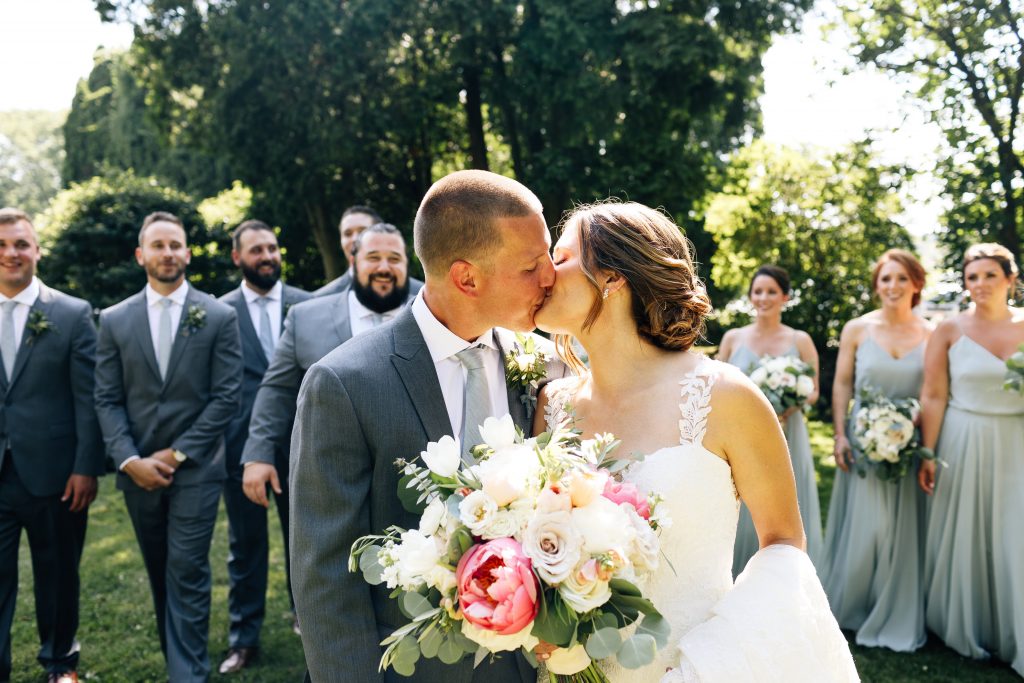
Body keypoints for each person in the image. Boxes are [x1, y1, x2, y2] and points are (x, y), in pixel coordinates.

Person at [534, 201, 857, 682]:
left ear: (612, 277)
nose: (543, 273)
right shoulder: (551, 404)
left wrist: (712, 664)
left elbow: (784, 543)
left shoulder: (725, 396)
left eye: (560, 258)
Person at [289, 170, 567, 682]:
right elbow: (325, 580)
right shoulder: (344, 385)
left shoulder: (550, 370)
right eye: (532, 265)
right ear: (467, 277)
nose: (552, 275)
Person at [94, 211, 242, 683]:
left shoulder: (219, 316)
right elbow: (106, 397)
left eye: (175, 244)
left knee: (187, 568)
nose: (168, 253)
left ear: (188, 253)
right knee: (160, 570)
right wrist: (130, 459)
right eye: (158, 245)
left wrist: (177, 454)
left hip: (196, 469)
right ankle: (178, 655)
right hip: (136, 468)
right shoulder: (114, 320)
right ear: (142, 255)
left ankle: (188, 674)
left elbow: (226, 397)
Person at [240, 223, 417, 599]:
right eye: (373, 257)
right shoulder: (307, 318)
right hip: (333, 471)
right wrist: (257, 452)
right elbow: (276, 388)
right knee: (335, 574)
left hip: (414, 470)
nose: (384, 267)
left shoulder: (432, 303)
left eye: (394, 258)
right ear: (352, 262)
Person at [0, 208, 104, 683]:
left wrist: (86, 466)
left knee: (58, 574)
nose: (10, 254)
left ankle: (60, 663)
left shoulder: (72, 313)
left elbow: (90, 398)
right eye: (1, 246)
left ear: (37, 250)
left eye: (20, 244)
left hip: (56, 474)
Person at [919, 243, 1024, 676]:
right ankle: (966, 623)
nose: (979, 284)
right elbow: (934, 394)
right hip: (961, 437)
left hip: (1015, 439)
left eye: (989, 276)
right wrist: (928, 451)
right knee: (968, 530)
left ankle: (1012, 627)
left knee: (1012, 531)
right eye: (972, 277)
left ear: (1010, 280)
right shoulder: (948, 329)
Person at [818, 249, 931, 651]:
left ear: (917, 283)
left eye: (902, 279)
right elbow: (843, 384)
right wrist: (841, 434)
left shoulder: (931, 333)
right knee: (867, 525)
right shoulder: (857, 329)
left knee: (902, 526)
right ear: (876, 286)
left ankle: (897, 603)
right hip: (864, 439)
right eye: (886, 279)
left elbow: (934, 393)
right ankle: (855, 605)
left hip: (909, 443)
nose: (893, 287)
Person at [216, 220, 311, 673]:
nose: (267, 256)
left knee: (307, 539)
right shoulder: (218, 312)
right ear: (237, 257)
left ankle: (308, 618)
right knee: (245, 544)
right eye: (256, 250)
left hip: (305, 440)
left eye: (272, 247)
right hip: (241, 446)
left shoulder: (309, 305)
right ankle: (243, 637)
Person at [716, 264, 822, 576]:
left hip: (788, 429)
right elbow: (717, 385)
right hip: (740, 433)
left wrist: (792, 400)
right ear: (750, 297)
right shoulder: (734, 338)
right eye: (758, 291)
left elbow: (814, 391)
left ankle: (785, 575)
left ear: (785, 297)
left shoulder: (799, 340)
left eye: (771, 292)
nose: (764, 297)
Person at [313, 206, 423, 297]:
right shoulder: (320, 298)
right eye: (347, 233)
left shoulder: (422, 294)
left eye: (363, 231)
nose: (355, 239)